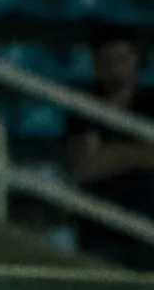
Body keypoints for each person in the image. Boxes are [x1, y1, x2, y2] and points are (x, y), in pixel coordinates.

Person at [64, 30, 154, 269]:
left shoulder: (150, 103)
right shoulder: (83, 105)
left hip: (147, 227)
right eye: (108, 61)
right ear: (96, 65)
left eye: (122, 59)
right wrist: (141, 153)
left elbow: (97, 160)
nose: (116, 68)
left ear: (137, 60)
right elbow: (84, 167)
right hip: (100, 232)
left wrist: (109, 154)